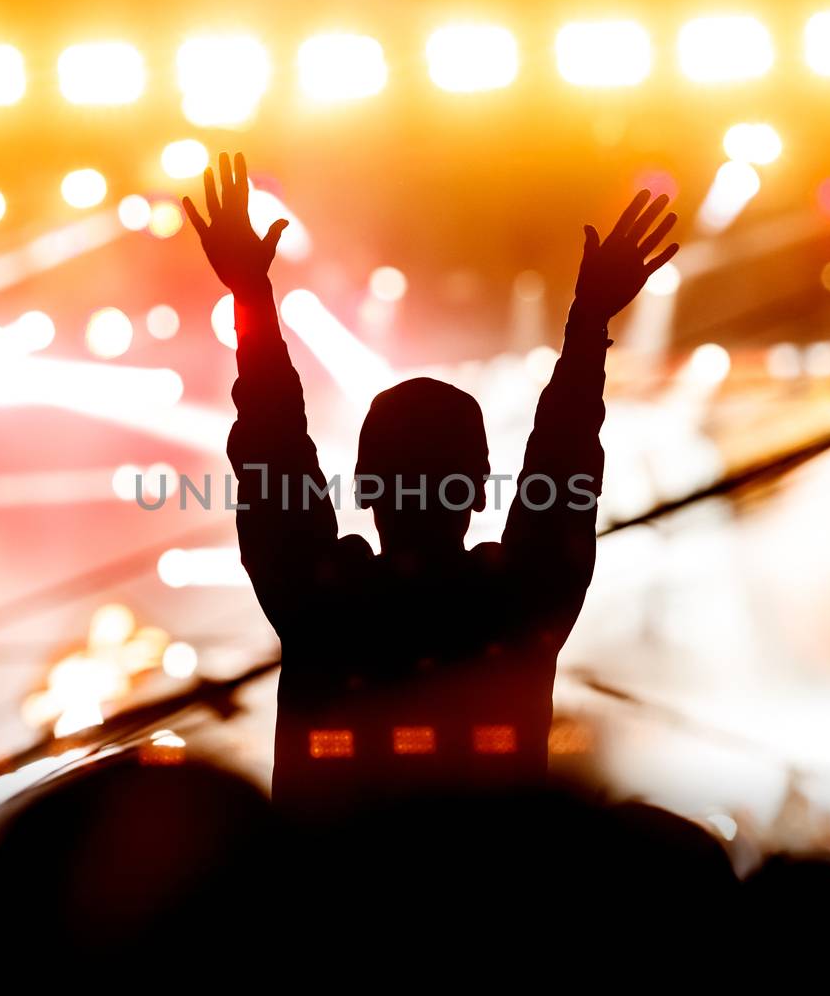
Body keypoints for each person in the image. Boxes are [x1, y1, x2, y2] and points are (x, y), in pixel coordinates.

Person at [184, 153, 676, 811]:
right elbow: (563, 465)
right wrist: (588, 323)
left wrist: (250, 297)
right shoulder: (519, 601)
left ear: (361, 487)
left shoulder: (320, 601)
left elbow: (272, 445)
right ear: (478, 487)